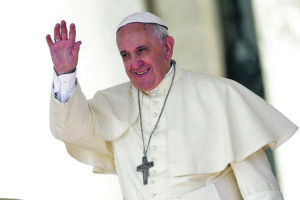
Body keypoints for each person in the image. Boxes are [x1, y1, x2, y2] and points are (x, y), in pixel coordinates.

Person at [47, 12, 298, 200]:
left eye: (142, 50)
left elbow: (260, 189)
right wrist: (65, 73)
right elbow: (70, 131)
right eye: (125, 55)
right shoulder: (112, 103)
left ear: (167, 48)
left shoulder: (219, 94)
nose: (135, 63)